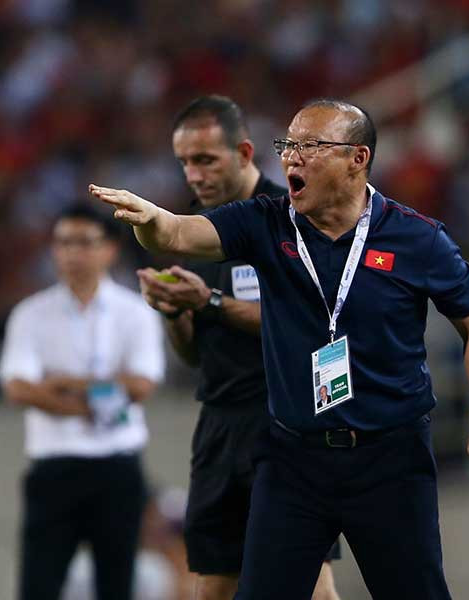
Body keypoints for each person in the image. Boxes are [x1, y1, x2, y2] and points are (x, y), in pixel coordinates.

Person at [90, 98, 469, 599]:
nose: (292, 157)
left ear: (357, 159)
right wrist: (151, 219)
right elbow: (181, 232)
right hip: (294, 458)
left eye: (311, 146)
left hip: (389, 458)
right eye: (288, 145)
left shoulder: (417, 239)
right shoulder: (266, 222)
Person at [135, 95, 341, 600]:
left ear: (244, 153)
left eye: (205, 159)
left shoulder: (292, 218)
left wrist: (209, 302)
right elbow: (194, 355)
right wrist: (173, 314)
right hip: (220, 422)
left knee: (307, 576)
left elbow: (312, 324)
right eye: (184, 162)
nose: (193, 174)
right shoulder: (192, 233)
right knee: (212, 579)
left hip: (286, 417)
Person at [0, 204, 165, 600]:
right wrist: (101, 396)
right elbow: (17, 388)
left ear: (110, 249)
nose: (72, 253)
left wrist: (61, 385)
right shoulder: (31, 314)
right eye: (63, 243)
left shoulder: (134, 312)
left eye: (84, 242)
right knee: (38, 585)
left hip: (117, 466)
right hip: (54, 465)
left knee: (116, 584)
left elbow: (141, 385)